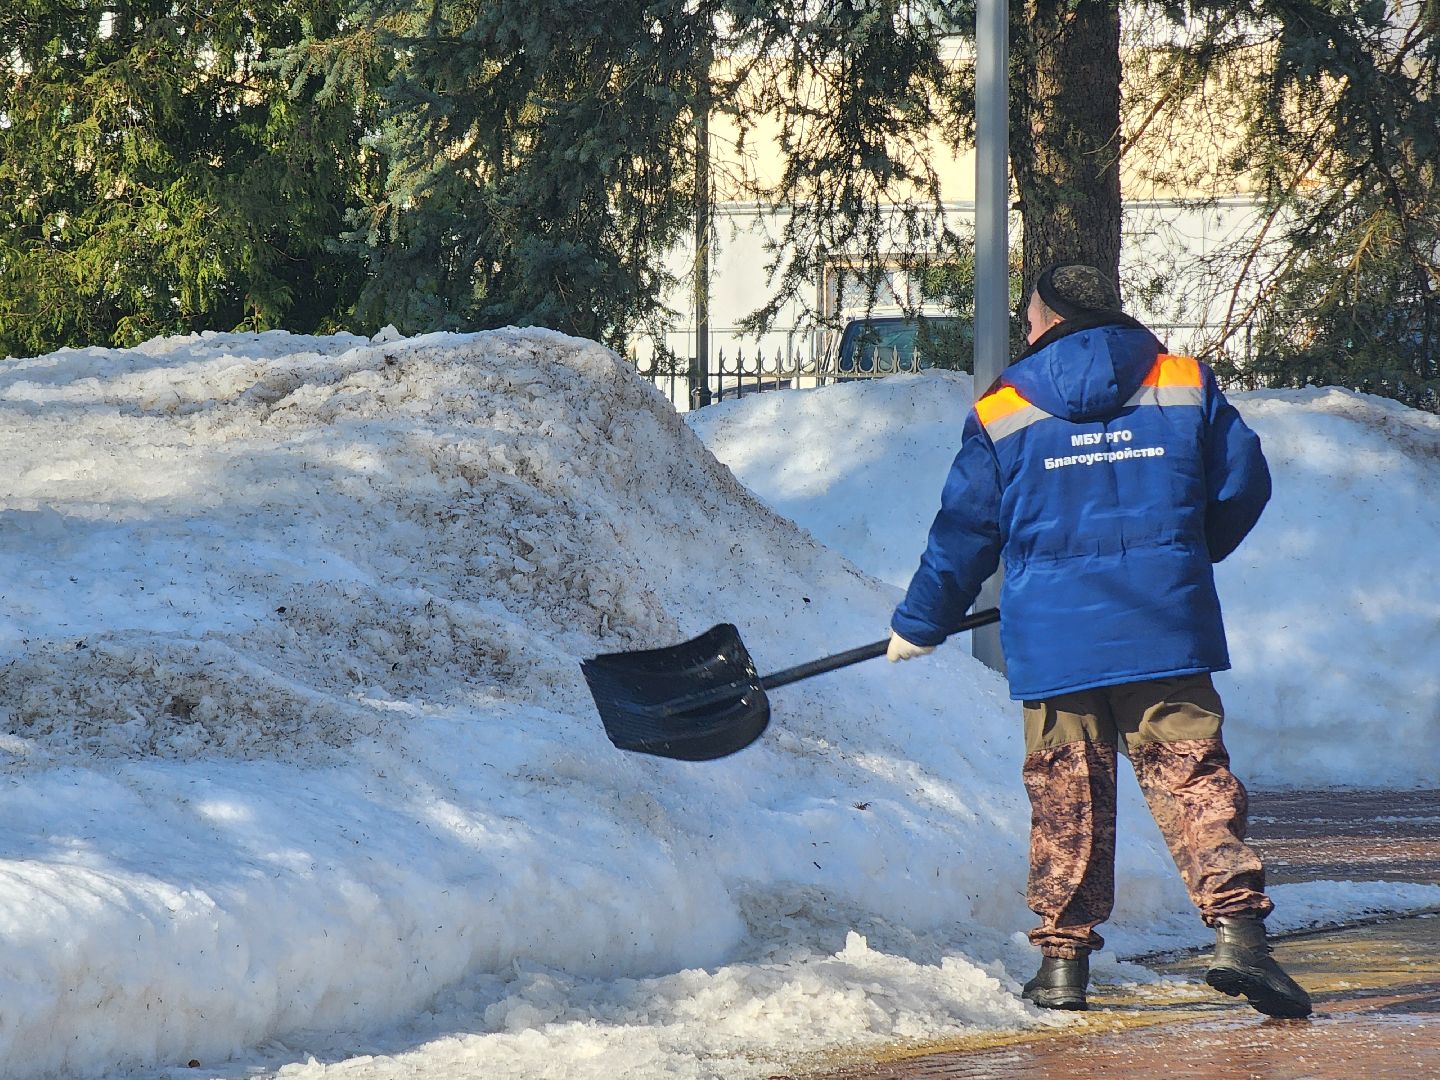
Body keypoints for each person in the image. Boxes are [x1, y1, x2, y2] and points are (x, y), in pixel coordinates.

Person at [885, 262, 1311, 1019]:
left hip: (1056, 642)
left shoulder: (1005, 406)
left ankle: (1062, 969)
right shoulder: (1182, 382)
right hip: (1163, 627)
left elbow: (966, 532)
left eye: (1028, 316)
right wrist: (1185, 553)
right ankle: (1241, 938)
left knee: (1067, 802)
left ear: (1047, 319)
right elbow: (1244, 482)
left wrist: (921, 621)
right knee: (1195, 784)